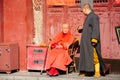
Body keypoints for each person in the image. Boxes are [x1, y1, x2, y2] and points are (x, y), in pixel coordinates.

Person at [78, 3, 107, 78]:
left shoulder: (94, 16)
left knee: (94, 56)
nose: (83, 12)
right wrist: (81, 28)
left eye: (83, 11)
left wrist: (94, 39)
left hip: (91, 41)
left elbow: (95, 28)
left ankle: (97, 72)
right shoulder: (88, 17)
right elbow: (89, 28)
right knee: (86, 56)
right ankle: (88, 71)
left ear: (85, 9)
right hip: (85, 41)